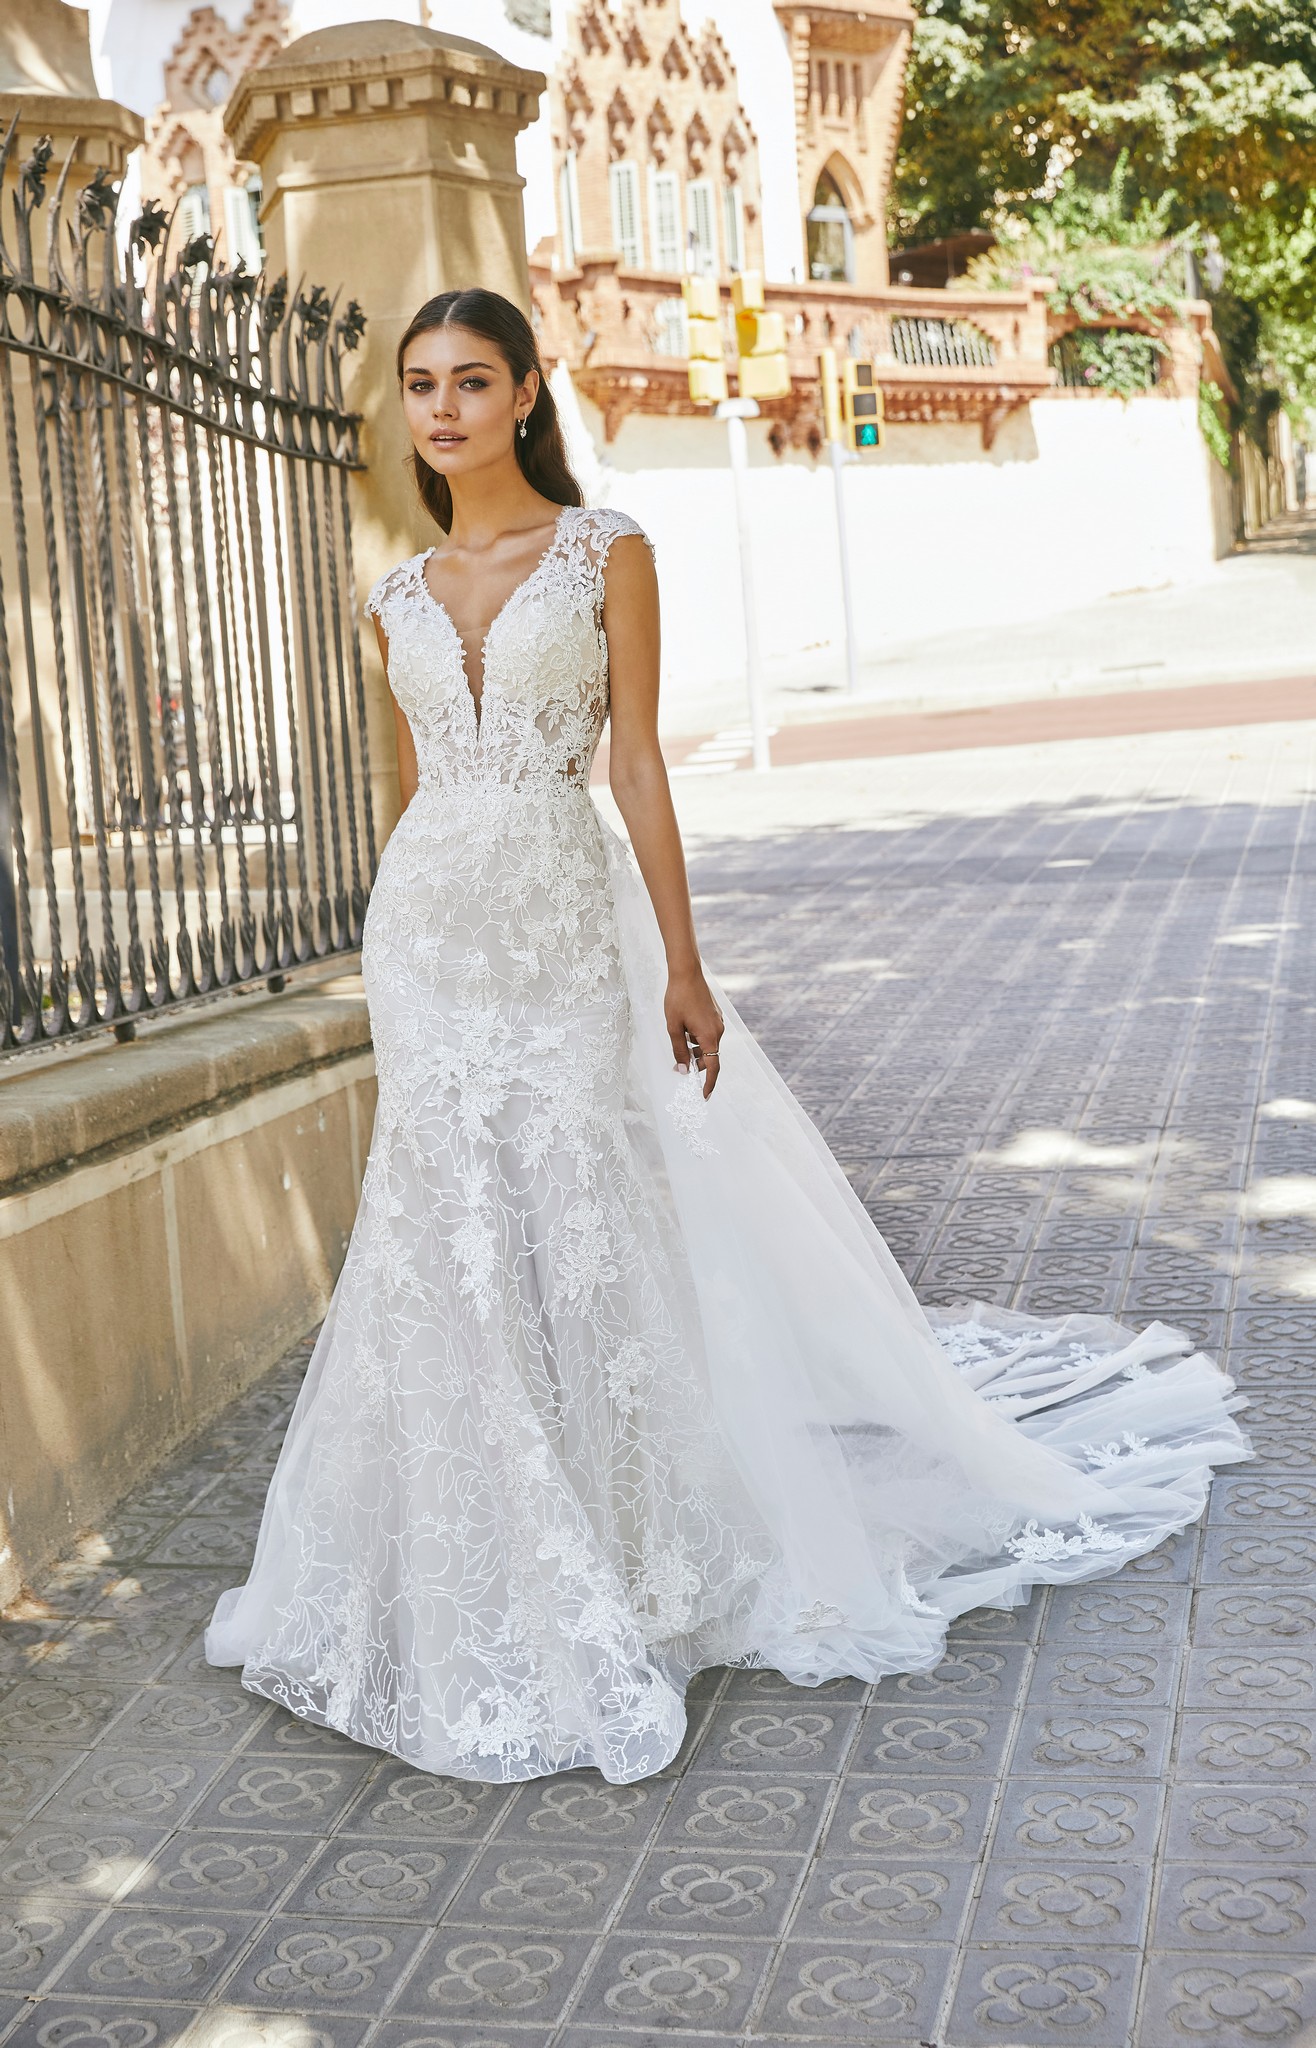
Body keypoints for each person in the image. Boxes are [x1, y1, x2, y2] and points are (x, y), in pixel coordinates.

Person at [206, 287, 1249, 1784]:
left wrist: (684, 965)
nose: (439, 408)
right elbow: (412, 794)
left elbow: (631, 760)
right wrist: (382, 951)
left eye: (471, 380)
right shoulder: (391, 593)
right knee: (445, 1226)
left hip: (564, 924)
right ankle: (479, 1550)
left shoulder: (607, 550)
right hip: (430, 934)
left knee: (581, 1207)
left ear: (525, 397)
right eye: (419, 384)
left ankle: (635, 1546)